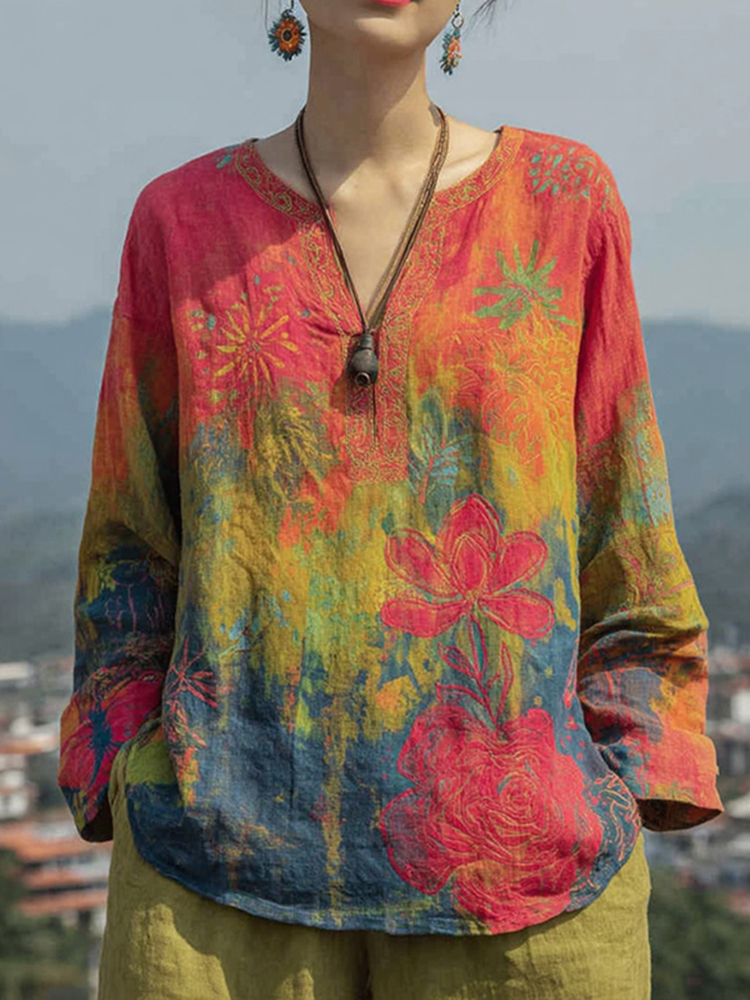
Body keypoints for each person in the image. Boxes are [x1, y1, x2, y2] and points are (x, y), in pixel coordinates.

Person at [58, 0, 723, 997]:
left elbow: (622, 516)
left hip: (530, 896)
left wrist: (630, 774)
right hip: (210, 883)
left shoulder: (561, 202)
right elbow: (130, 542)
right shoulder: (181, 222)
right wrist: (125, 761)